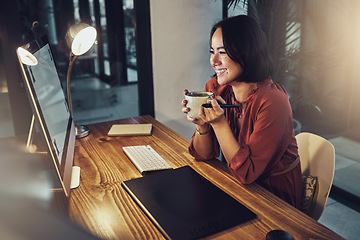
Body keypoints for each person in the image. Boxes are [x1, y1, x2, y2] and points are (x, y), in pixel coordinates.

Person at [181, 15, 303, 209]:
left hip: (276, 200)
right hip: (237, 188)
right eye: (212, 52)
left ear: (247, 52)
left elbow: (246, 173)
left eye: (223, 52)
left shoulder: (273, 101)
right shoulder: (216, 88)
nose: (214, 61)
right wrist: (203, 124)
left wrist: (219, 123)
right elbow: (203, 154)